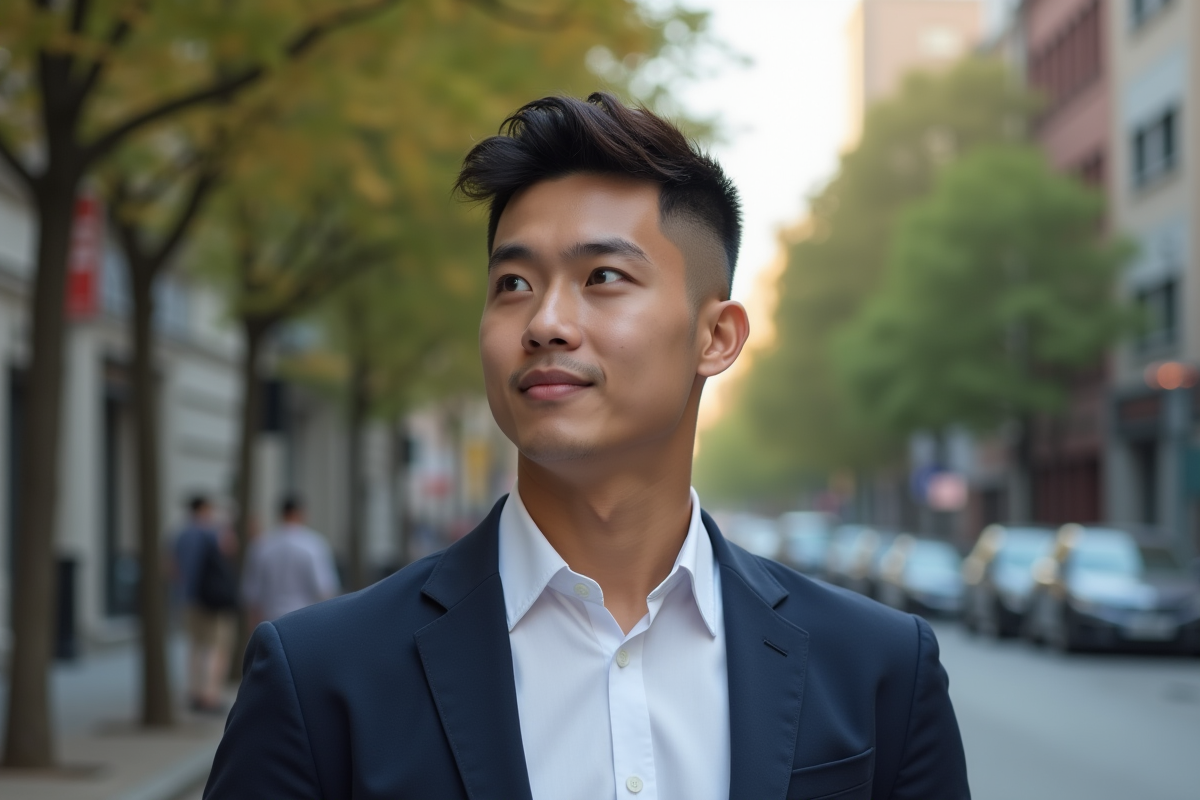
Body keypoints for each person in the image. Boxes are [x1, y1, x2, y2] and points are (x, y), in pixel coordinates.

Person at [206, 93, 970, 799]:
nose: (544, 322)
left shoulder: (879, 672)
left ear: (715, 336)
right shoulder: (321, 681)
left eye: (602, 276)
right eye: (512, 283)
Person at [172, 494, 234, 713]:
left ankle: (194, 692)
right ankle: (210, 695)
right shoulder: (212, 533)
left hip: (188, 599)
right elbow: (229, 552)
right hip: (213, 601)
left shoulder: (179, 535)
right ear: (205, 509)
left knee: (195, 646)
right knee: (216, 647)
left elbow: (171, 567)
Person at [240, 495, 341, 626]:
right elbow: (325, 590)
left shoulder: (261, 545)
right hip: (305, 621)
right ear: (302, 513)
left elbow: (251, 594)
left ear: (281, 514)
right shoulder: (314, 544)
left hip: (270, 622)